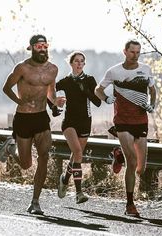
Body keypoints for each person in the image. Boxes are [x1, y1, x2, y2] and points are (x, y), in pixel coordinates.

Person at [0, 34, 66, 215]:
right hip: (24, 119)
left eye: (44, 46)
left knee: (44, 156)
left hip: (41, 117)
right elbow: (6, 88)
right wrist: (19, 102)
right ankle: (12, 148)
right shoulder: (22, 68)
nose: (42, 49)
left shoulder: (53, 69)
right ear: (32, 48)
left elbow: (51, 92)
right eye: (38, 46)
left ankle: (35, 202)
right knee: (26, 164)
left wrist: (55, 104)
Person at [95, 40, 156, 217]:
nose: (135, 55)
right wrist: (106, 99)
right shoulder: (114, 71)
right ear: (125, 52)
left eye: (138, 52)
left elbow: (152, 91)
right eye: (132, 52)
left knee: (141, 168)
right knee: (132, 162)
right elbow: (98, 89)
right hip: (122, 121)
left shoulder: (146, 69)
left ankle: (118, 154)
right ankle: (130, 204)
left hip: (141, 121)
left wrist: (153, 105)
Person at [57, 51, 101, 204]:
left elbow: (97, 102)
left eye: (82, 61)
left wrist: (86, 91)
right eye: (76, 61)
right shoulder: (66, 81)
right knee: (77, 152)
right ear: (71, 63)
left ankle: (65, 178)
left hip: (85, 121)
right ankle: (79, 193)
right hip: (69, 122)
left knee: (76, 156)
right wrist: (55, 103)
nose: (79, 63)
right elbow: (49, 92)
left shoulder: (89, 80)